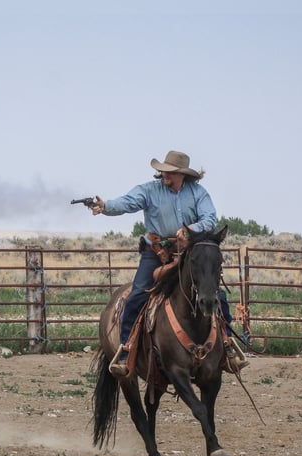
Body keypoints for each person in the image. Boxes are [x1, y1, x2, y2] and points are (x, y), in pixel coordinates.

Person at [89, 150, 248, 377]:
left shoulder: (198, 193)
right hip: (157, 251)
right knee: (137, 295)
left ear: (182, 175)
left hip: (188, 252)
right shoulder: (149, 190)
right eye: (163, 171)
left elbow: (210, 219)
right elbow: (127, 202)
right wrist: (105, 206)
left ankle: (227, 344)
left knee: (216, 295)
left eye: (170, 173)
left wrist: (190, 230)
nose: (164, 175)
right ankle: (126, 348)